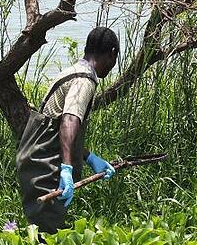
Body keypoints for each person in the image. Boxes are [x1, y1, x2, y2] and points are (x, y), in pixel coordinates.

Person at [16, 27, 120, 233]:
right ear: (112, 53)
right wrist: (66, 169)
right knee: (47, 230)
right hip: (47, 165)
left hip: (35, 159)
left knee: (40, 228)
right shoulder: (84, 80)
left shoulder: (72, 71)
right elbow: (68, 121)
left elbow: (57, 128)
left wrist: (89, 157)